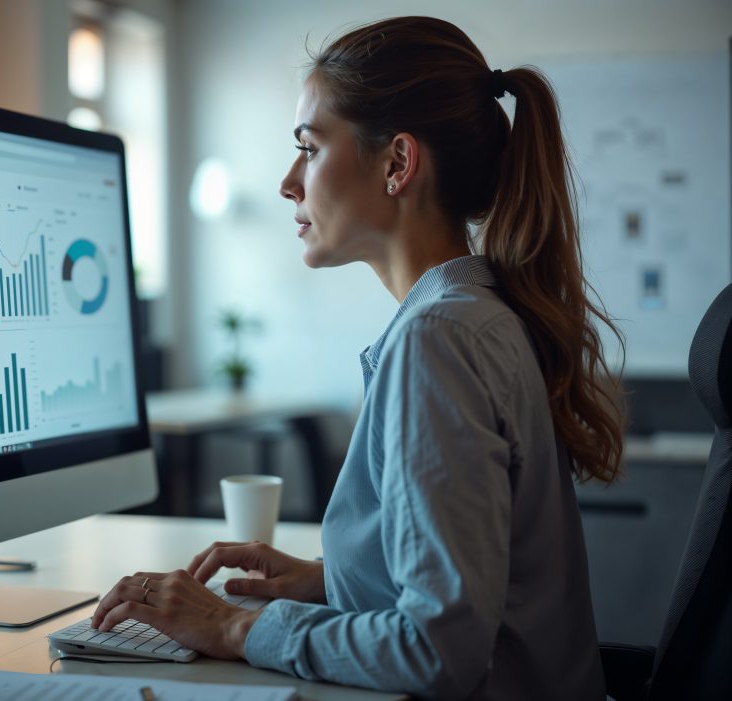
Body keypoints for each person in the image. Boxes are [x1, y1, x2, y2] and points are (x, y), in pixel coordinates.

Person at [90, 16, 624, 700]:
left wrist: (235, 626)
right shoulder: (479, 313)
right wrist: (331, 579)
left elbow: (439, 651)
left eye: (308, 148)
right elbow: (479, 579)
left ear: (397, 164)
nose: (289, 182)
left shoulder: (438, 340)